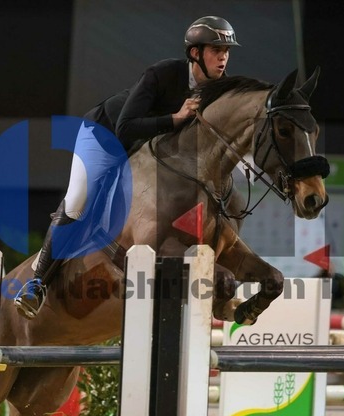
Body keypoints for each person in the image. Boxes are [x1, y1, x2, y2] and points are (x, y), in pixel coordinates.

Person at [14, 16, 241, 319]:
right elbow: (126, 126)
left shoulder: (219, 89)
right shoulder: (162, 74)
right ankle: (37, 283)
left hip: (146, 153)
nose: (223, 57)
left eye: (226, 51)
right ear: (195, 53)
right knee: (78, 201)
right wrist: (174, 118)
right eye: (216, 50)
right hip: (104, 136)